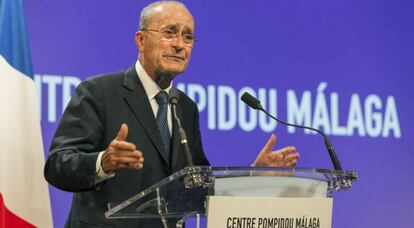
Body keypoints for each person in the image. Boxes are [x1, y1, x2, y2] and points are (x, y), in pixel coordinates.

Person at [44, 1, 300, 227]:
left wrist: (253, 173)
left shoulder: (185, 108)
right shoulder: (99, 92)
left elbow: (199, 185)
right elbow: (57, 165)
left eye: (187, 37)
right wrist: (103, 162)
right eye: (169, 33)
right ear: (141, 40)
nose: (179, 45)